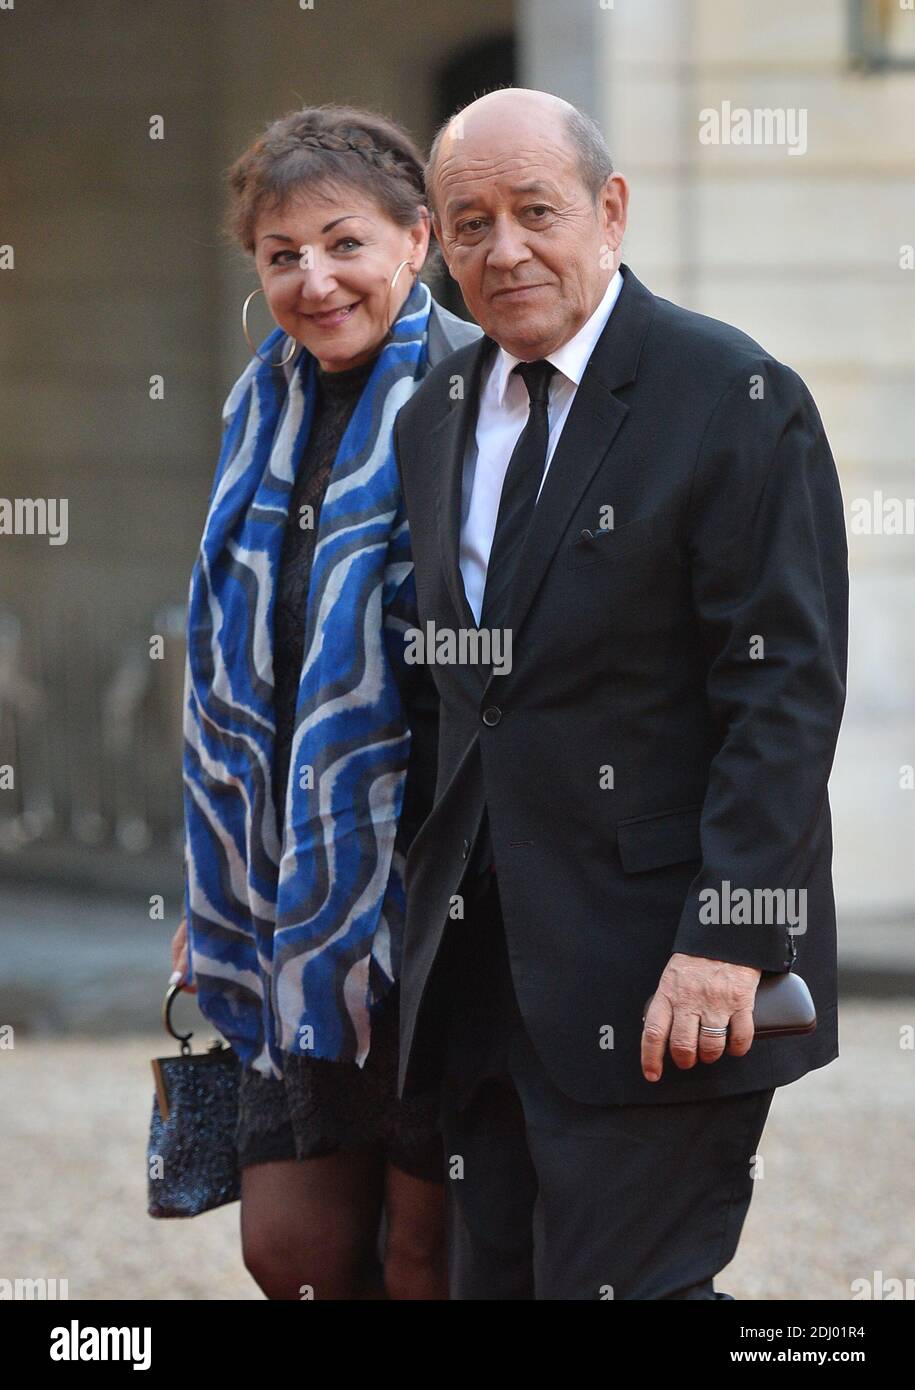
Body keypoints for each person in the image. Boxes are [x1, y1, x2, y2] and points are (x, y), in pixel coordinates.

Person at [392, 87, 848, 1299]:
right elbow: (457, 699)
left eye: (535, 211)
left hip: (663, 974)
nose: (506, 249)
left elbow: (784, 697)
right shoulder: (434, 415)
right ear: (437, 241)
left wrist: (731, 940)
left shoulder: (732, 394)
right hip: (482, 977)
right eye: (471, 220)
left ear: (611, 210)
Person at [172, 103, 480, 1300]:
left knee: (422, 1250)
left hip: (435, 905)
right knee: (290, 1253)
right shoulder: (262, 408)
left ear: (417, 240)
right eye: (282, 254)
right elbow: (229, 676)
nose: (315, 278)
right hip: (284, 897)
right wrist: (218, 886)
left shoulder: (479, 396)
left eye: (344, 243)